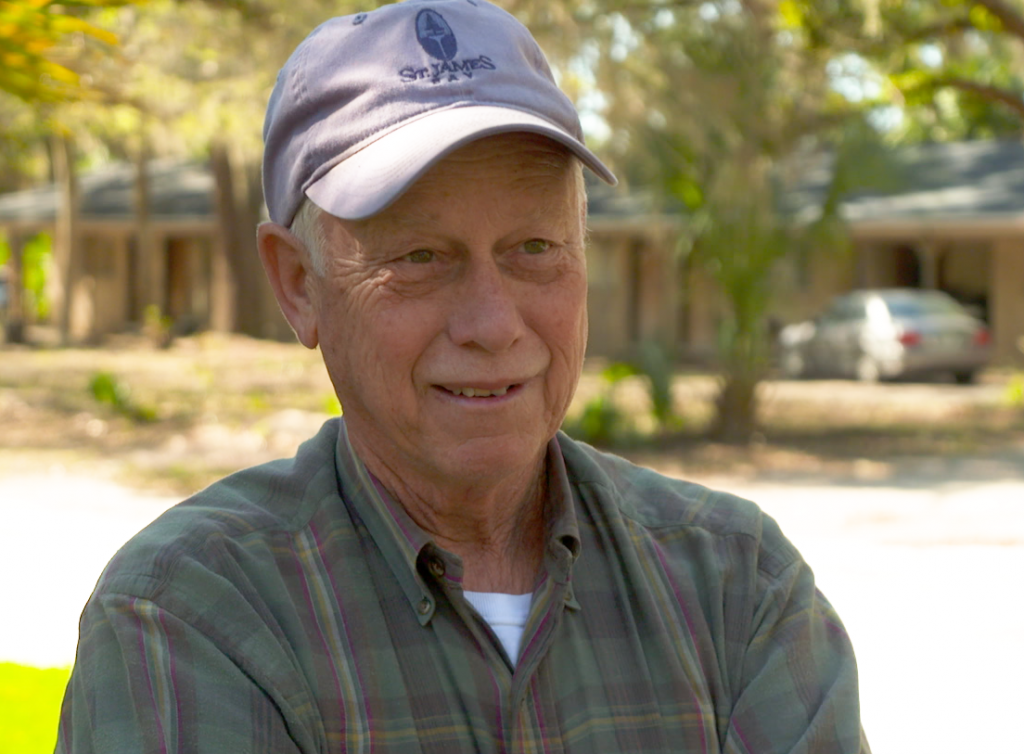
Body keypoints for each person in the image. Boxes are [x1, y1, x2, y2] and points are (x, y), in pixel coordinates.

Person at [56, 1, 870, 751]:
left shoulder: (737, 587)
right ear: (299, 284)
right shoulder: (193, 615)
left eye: (534, 249)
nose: (493, 324)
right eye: (419, 257)